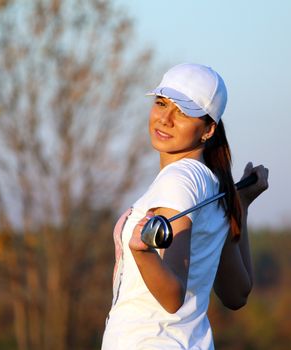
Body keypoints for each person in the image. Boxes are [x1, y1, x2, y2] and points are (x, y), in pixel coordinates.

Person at [101, 63, 269, 349]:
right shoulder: (214, 186)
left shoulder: (179, 179)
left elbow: (172, 296)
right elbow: (236, 294)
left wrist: (142, 253)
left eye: (183, 111)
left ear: (208, 129)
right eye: (161, 103)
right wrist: (241, 204)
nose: (165, 118)